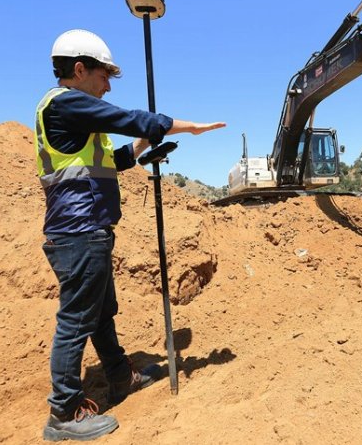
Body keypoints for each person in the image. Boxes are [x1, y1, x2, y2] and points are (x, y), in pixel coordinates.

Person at [35, 29, 225, 441]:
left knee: (101, 313)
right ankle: (64, 413)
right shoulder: (66, 104)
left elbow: (109, 161)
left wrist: (141, 149)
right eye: (104, 76)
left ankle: (121, 378)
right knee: (76, 320)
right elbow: (128, 117)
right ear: (80, 69)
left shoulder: (72, 114)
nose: (106, 86)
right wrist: (183, 126)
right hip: (78, 230)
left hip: (88, 230)